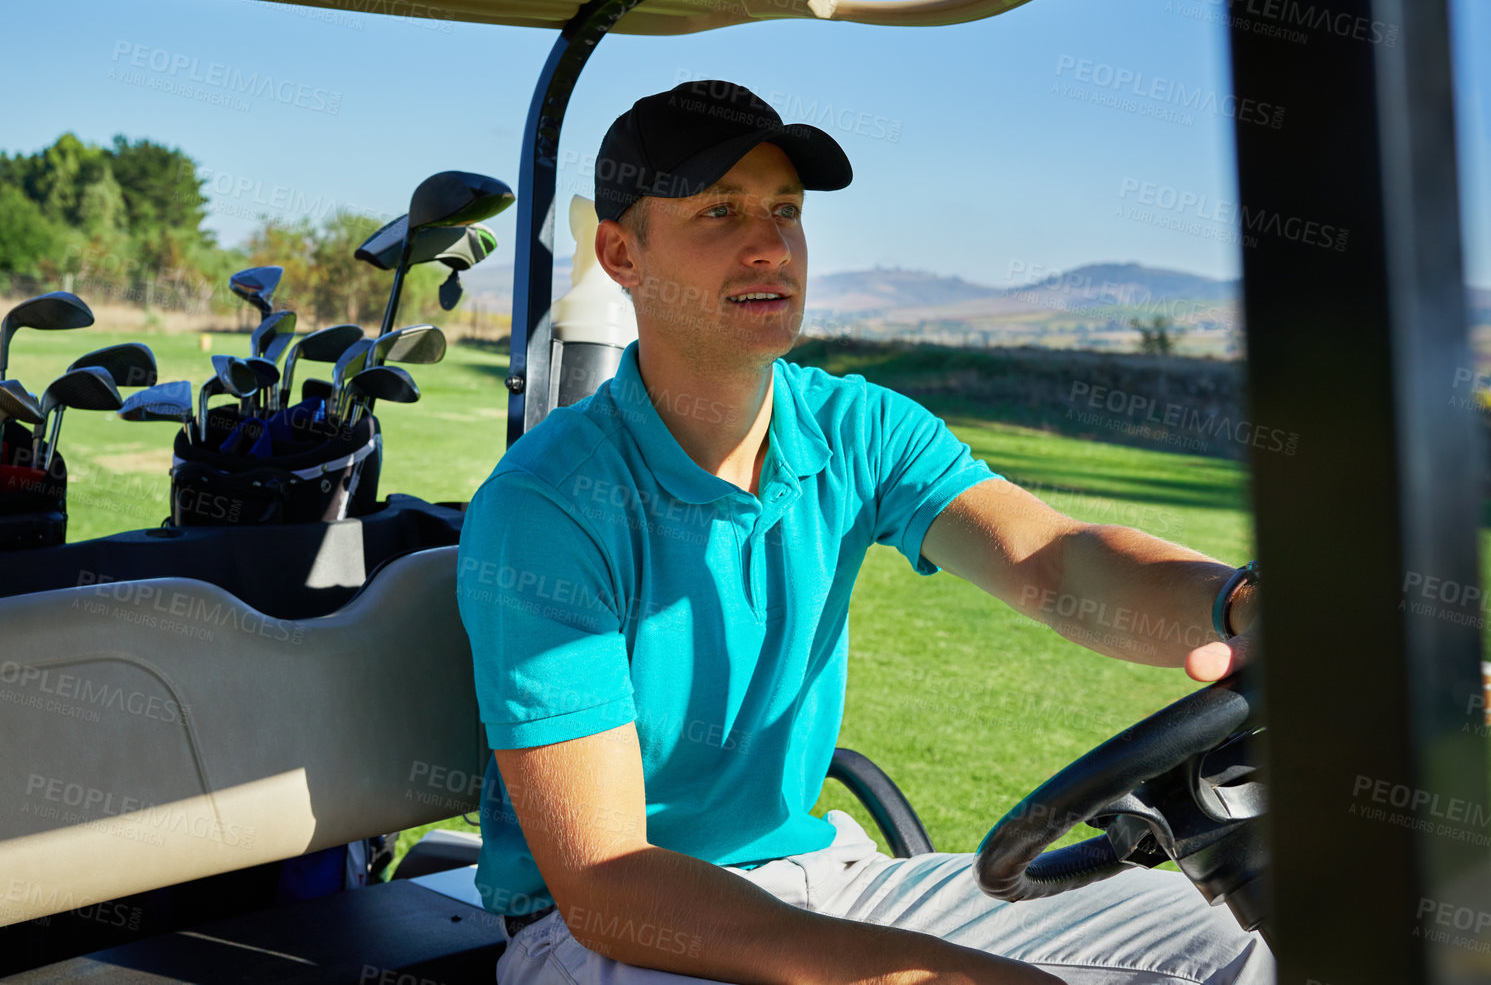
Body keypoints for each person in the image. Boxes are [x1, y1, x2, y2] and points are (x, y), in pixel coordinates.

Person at [455, 80, 1272, 985]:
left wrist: (1233, 601)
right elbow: (610, 887)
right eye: (719, 212)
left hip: (821, 875)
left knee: (1234, 937)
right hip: (600, 932)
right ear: (620, 253)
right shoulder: (548, 503)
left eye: (785, 211)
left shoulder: (856, 429)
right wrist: (919, 973)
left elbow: (1051, 559)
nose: (769, 245)